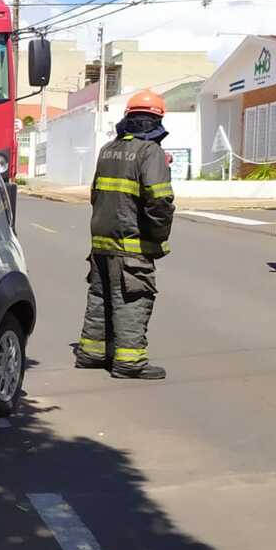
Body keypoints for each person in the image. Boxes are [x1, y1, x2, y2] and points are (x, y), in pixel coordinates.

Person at [75, 89, 175, 380]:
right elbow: (159, 200)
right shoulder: (149, 152)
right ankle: (130, 361)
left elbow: (95, 194)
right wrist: (158, 235)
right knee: (133, 299)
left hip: (101, 242)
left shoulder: (108, 149)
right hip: (131, 244)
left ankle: (92, 353)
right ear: (156, 121)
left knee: (100, 297)